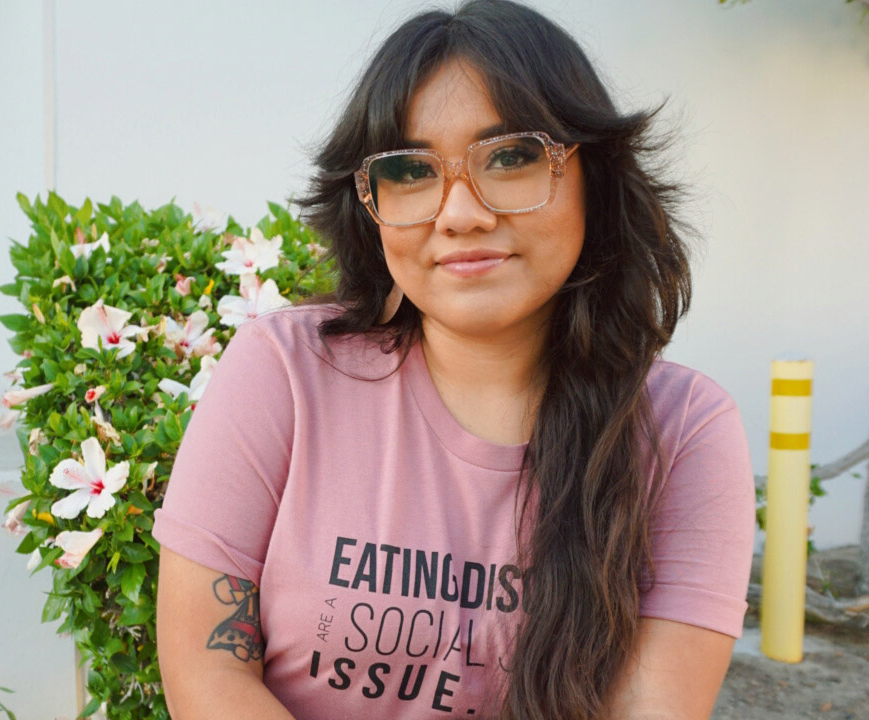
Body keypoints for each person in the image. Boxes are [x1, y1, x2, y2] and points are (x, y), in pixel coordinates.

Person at [152, 1, 756, 718]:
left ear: (595, 175)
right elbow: (205, 670)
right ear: (369, 204)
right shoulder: (282, 373)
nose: (459, 212)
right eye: (410, 169)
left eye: (511, 157)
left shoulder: (683, 432)